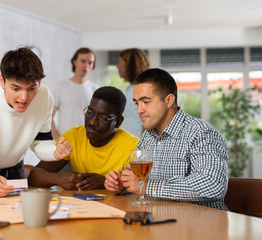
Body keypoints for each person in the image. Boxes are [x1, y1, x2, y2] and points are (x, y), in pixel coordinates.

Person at [0, 48, 72, 197]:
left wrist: (55, 152)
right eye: (16, 88)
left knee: (19, 213)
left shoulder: (44, 97)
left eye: (31, 88)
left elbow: (41, 141)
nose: (24, 97)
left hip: (14, 164)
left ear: (40, 83)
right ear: (2, 81)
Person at [104, 68, 229, 210]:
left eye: (146, 102)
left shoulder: (201, 132)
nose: (139, 110)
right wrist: (121, 185)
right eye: (137, 103)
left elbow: (213, 184)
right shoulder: (147, 137)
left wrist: (147, 186)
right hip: (160, 222)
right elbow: (136, 181)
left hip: (203, 226)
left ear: (169, 100)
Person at [29, 86, 139, 190]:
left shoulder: (133, 146)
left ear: (118, 122)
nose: (93, 122)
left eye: (103, 117)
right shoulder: (74, 137)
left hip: (117, 207)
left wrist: (106, 182)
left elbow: (142, 187)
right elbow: (34, 175)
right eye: (90, 112)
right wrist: (59, 179)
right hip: (79, 206)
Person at [51, 47, 99, 141]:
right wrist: (58, 139)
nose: (86, 65)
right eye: (83, 61)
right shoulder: (61, 86)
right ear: (74, 61)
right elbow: (49, 117)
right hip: (65, 142)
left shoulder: (95, 89)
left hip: (88, 143)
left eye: (90, 62)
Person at [117, 48, 150, 137]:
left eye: (120, 63)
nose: (117, 66)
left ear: (129, 66)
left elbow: (149, 121)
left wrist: (141, 147)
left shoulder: (143, 89)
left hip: (137, 146)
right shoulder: (131, 89)